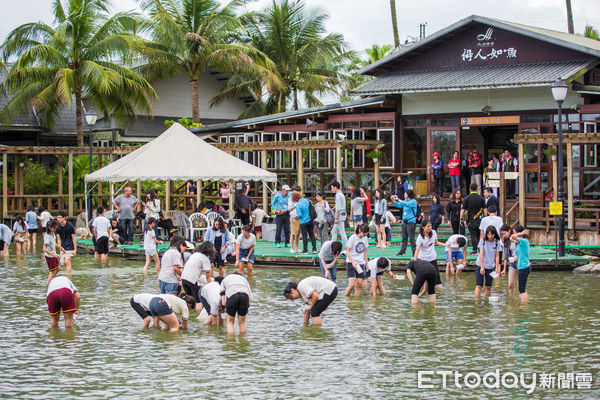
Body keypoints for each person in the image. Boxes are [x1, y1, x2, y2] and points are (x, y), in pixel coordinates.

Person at [182, 241, 216, 306]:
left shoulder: (195, 254)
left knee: (190, 301)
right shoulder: (205, 258)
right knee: (198, 301)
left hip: (184, 279)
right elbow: (208, 277)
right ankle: (198, 313)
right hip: (192, 280)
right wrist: (213, 287)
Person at [475, 226, 502, 298]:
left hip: (490, 266)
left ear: (494, 234)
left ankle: (487, 301)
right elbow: (481, 253)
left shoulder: (497, 242)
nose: (490, 236)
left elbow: (497, 255)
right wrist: (482, 267)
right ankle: (477, 302)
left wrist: (497, 267)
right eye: (488, 234)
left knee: (488, 286)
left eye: (492, 234)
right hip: (480, 265)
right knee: (479, 285)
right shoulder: (483, 241)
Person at [344, 223, 369, 297]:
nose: (365, 235)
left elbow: (364, 251)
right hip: (351, 262)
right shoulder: (352, 238)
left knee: (359, 285)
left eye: (366, 233)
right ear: (360, 230)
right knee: (351, 285)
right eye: (364, 233)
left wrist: (366, 263)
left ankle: (356, 302)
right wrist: (353, 262)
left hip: (360, 263)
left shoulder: (365, 238)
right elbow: (347, 251)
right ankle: (346, 298)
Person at [392, 190, 418, 256]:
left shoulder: (413, 201)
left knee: (411, 238)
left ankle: (414, 252)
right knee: (404, 237)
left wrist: (398, 199)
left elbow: (406, 204)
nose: (404, 194)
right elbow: (399, 205)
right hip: (404, 221)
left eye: (405, 193)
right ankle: (402, 251)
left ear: (408, 194)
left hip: (411, 221)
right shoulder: (405, 201)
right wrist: (394, 201)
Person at [461, 183, 485, 255]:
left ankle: (475, 249)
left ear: (470, 189)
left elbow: (462, 209)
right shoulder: (481, 198)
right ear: (477, 189)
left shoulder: (467, 198)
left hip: (470, 219)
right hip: (480, 219)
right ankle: (479, 248)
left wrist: (461, 218)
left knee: (473, 234)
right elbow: (485, 209)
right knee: (478, 234)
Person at [512, 225, 531, 303]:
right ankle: (523, 302)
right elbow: (511, 238)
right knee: (521, 287)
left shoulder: (523, 241)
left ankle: (524, 306)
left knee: (521, 289)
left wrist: (520, 233)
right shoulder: (521, 241)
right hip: (523, 266)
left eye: (515, 232)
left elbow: (513, 236)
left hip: (524, 267)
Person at [43, 220, 63, 285]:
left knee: (58, 268)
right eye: (54, 228)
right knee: (52, 272)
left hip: (53, 254)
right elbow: (44, 249)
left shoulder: (52, 233)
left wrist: (60, 247)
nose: (55, 229)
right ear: (49, 227)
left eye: (55, 228)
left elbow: (53, 243)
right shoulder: (47, 236)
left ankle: (51, 280)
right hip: (50, 256)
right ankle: (49, 284)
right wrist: (54, 255)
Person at [500, 224, 517, 295]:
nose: (504, 235)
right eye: (502, 234)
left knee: (520, 285)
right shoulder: (506, 241)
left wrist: (517, 256)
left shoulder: (517, 238)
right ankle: (511, 299)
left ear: (509, 231)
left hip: (520, 262)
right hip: (512, 263)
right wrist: (504, 269)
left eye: (505, 233)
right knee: (510, 284)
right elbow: (506, 256)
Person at [330, 181, 348, 248]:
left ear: (335, 187)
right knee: (334, 231)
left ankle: (347, 247)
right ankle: (332, 246)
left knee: (342, 232)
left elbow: (338, 209)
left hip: (339, 216)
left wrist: (336, 218)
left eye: (332, 187)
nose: (331, 189)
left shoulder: (338, 195)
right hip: (342, 214)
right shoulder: (341, 194)